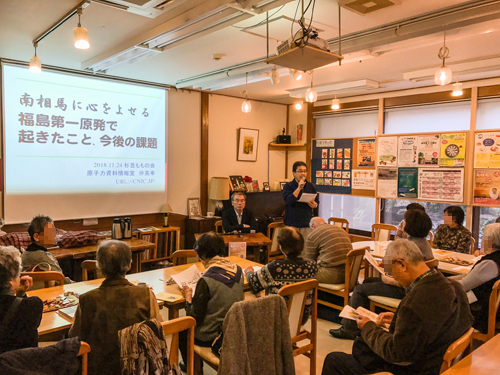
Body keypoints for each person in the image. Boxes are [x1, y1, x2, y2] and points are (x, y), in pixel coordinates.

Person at [322, 240, 473, 375]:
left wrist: (368, 327)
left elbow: (396, 353)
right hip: (438, 361)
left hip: (418, 368)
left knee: (334, 360)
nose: (391, 277)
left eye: (390, 271)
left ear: (401, 265)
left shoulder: (415, 302)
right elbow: (437, 321)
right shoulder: (454, 287)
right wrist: (400, 320)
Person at [331, 211, 435, 340]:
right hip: (412, 287)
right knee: (368, 281)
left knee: (359, 290)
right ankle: (367, 320)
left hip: (404, 289)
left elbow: (402, 277)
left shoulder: (410, 245)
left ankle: (349, 329)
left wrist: (386, 277)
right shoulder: (424, 244)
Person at [69, 240, 162, 375]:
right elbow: (158, 328)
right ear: (130, 264)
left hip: (99, 369)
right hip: (138, 368)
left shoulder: (87, 299)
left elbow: (75, 336)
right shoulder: (146, 294)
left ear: (99, 266)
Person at [178, 232, 244, 368]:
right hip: (233, 330)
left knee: (182, 331)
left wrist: (188, 297)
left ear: (203, 256)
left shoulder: (206, 280)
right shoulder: (238, 270)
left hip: (212, 337)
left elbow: (194, 318)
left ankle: (193, 368)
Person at [245, 227, 317, 323]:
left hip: (277, 320)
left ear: (281, 247)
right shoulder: (312, 266)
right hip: (302, 318)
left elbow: (254, 284)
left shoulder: (275, 267)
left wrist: (249, 272)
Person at [453, 223, 500, 334]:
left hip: (478, 310)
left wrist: (442, 284)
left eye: (484, 236)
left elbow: (463, 285)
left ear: (491, 241)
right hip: (486, 306)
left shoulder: (490, 264)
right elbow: (469, 277)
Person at [0, 246, 42, 354]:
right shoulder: (33, 305)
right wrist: (20, 296)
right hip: (19, 366)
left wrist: (19, 295)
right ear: (11, 281)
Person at [21, 215, 73, 286]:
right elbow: (60, 278)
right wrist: (79, 285)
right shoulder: (42, 256)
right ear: (37, 237)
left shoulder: (27, 253)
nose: (54, 235)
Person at [303, 217, 352, 284]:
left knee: (303, 272)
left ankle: (310, 294)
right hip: (350, 273)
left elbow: (309, 262)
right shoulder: (340, 229)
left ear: (313, 226)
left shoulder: (313, 235)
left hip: (332, 275)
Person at [282, 161, 319, 239]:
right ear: (294, 173)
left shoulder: (311, 186)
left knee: (305, 248)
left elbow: (317, 201)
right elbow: (288, 200)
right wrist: (299, 188)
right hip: (291, 222)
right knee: (292, 247)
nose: (303, 174)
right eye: (300, 171)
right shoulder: (288, 186)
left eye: (305, 171)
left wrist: (314, 205)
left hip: (306, 222)